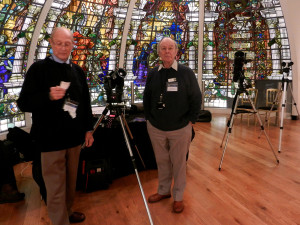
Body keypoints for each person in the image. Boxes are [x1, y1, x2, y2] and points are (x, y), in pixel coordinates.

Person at [17, 27, 94, 225]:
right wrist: (48, 96)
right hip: (50, 141)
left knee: (70, 184)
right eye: (58, 43)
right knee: (55, 188)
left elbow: (85, 102)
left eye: (67, 43)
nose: (62, 47)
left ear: (72, 46)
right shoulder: (38, 69)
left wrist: (88, 129)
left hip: (74, 139)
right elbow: (23, 103)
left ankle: (67, 212)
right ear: (51, 43)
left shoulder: (78, 71)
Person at [143, 37, 202, 213]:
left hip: (180, 127)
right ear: (159, 53)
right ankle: (163, 191)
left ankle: (178, 197)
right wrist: (148, 118)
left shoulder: (186, 72)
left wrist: (191, 119)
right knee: (162, 162)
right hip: (156, 128)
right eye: (163, 48)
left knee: (179, 164)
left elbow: (196, 97)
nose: (167, 51)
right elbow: (147, 97)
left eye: (170, 48)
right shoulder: (153, 73)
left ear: (176, 52)